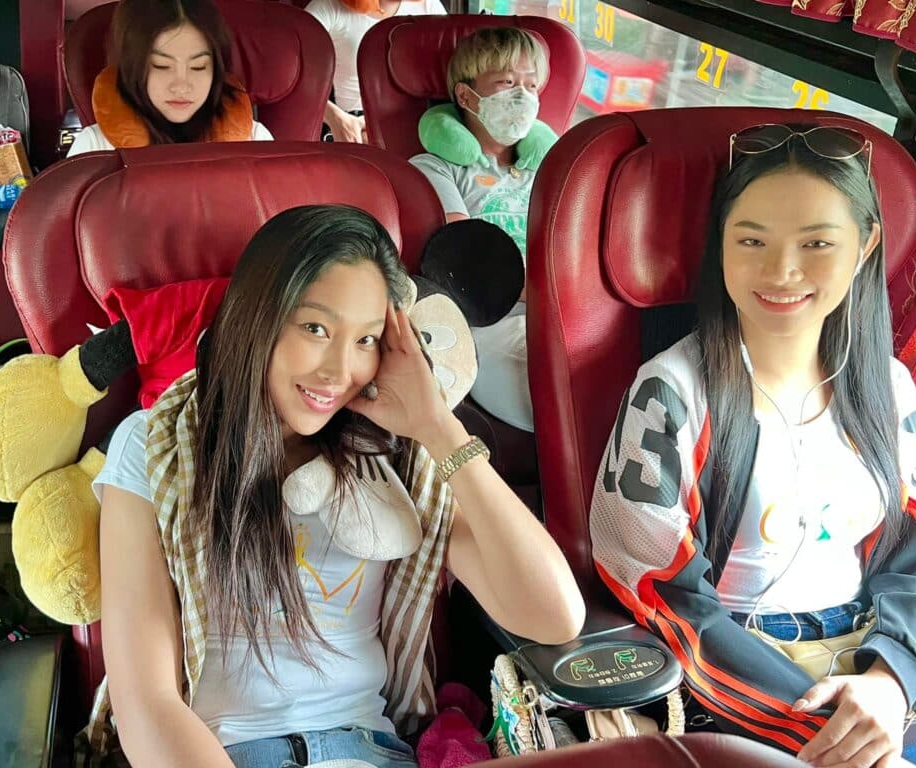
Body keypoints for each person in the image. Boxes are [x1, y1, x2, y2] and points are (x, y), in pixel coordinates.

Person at [84, 205, 585, 767]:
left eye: (366, 340)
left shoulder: (398, 456)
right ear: (258, 317)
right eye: (316, 329)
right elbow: (146, 702)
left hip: (370, 750)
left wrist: (437, 426)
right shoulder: (155, 445)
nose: (338, 371)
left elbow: (553, 616)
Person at [590, 125, 916, 768]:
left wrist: (892, 680)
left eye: (817, 243)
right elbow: (660, 589)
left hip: (875, 661)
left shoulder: (887, 388)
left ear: (864, 246)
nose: (782, 271)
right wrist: (821, 726)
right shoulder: (671, 392)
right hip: (739, 675)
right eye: (751, 241)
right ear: (720, 244)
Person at [410, 28, 557, 433]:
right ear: (466, 96)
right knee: (548, 388)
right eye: (507, 83)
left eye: (531, 85)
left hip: (561, 304)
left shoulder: (553, 168)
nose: (522, 96)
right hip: (492, 317)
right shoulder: (434, 168)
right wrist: (544, 290)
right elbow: (466, 260)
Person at [67, 0, 272, 157]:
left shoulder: (254, 140)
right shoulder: (94, 148)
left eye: (198, 67)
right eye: (161, 66)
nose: (181, 86)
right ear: (132, 68)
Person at [304, 0, 446, 144]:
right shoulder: (328, 6)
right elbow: (295, 76)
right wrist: (335, 117)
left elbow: (449, 72)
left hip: (418, 120)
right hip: (356, 121)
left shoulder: (429, 6)